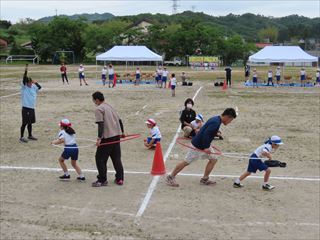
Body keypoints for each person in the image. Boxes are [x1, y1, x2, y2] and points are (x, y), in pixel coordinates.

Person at [166, 108, 237, 187]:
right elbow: (206, 134)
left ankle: (204, 179)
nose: (230, 122)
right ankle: (171, 177)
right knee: (186, 161)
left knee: (213, 159)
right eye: (231, 120)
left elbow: (207, 131)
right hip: (198, 145)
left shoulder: (216, 119)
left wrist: (213, 135)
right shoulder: (216, 122)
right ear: (228, 116)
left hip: (204, 144)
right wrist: (206, 147)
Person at [92, 91, 125, 187]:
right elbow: (119, 120)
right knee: (116, 158)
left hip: (107, 138)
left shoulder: (99, 109)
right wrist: (122, 132)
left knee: (100, 159)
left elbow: (101, 125)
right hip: (116, 136)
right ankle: (120, 179)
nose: (93, 102)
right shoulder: (109, 106)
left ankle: (102, 180)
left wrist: (99, 138)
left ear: (97, 100)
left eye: (93, 100)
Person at [20, 64, 41, 143]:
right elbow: (24, 78)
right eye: (28, 82)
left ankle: (30, 135)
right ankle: (21, 137)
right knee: (24, 123)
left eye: (30, 82)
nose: (29, 84)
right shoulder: (24, 87)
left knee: (30, 122)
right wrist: (26, 71)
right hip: (26, 108)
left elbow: (40, 87)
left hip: (32, 108)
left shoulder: (33, 87)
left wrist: (35, 82)